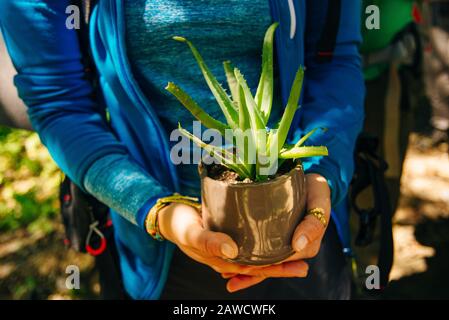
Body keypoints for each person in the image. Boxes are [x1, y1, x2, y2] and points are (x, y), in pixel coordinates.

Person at [0, 0, 364, 299]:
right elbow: (59, 103)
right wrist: (156, 211)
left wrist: (321, 173)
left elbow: (333, 59)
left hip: (295, 222)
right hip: (157, 246)